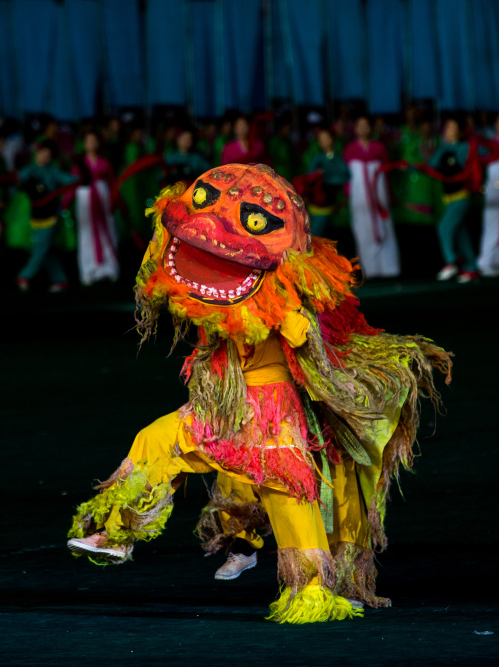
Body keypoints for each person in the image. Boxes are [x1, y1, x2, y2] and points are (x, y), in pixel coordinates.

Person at [67, 163, 451, 624]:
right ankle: (116, 533)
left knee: (291, 499)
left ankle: (313, 590)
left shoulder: (287, 303)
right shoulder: (213, 296)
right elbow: (174, 280)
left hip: (275, 417)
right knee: (157, 439)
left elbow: (314, 346)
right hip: (224, 408)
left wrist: (302, 332)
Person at [15, 140, 76, 292]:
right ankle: (60, 279)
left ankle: (24, 276)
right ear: (37, 153)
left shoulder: (53, 171)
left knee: (40, 249)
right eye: (42, 153)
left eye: (48, 155)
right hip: (34, 217)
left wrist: (82, 177)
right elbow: (15, 181)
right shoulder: (29, 170)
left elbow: (68, 179)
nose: (44, 157)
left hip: (50, 217)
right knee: (44, 250)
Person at [343, 116, 401, 278]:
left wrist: (388, 195)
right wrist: (347, 195)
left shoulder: (379, 148)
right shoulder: (349, 150)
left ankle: (389, 268)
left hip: (379, 195)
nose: (362, 129)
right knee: (363, 231)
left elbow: (387, 173)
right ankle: (371, 269)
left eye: (365, 125)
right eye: (359, 125)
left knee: (385, 228)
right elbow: (346, 176)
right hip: (359, 197)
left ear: (371, 128)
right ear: (354, 129)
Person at [430, 118, 479, 283]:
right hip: (448, 198)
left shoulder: (464, 148)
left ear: (460, 131)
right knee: (460, 233)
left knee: (444, 227)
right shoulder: (443, 149)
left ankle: (451, 261)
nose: (449, 130)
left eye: (453, 127)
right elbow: (432, 166)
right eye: (447, 127)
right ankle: (471, 267)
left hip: (462, 196)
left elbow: (464, 167)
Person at [71, 130, 119, 286]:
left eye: (94, 140)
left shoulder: (105, 163)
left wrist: (114, 201)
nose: (91, 143)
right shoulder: (78, 163)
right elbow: (71, 183)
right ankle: (88, 270)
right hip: (85, 199)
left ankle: (109, 268)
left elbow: (113, 183)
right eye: (88, 140)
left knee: (108, 231)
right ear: (84, 143)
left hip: (102, 197)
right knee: (86, 233)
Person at [477, 112, 499, 277]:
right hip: (496, 190)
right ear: (496, 126)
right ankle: (487, 262)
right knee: (493, 224)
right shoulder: (491, 146)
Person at [306, 128, 350, 237]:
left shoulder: (338, 159)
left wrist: (325, 175)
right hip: (315, 203)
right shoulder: (317, 158)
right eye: (320, 139)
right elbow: (309, 178)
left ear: (332, 139)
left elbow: (345, 176)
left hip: (331, 204)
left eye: (325, 138)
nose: (323, 141)